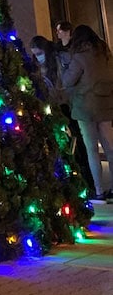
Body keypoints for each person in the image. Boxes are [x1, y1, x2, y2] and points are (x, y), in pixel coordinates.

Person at [60, 24, 113, 201]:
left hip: (85, 107)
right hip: (105, 104)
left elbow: (67, 81)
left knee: (92, 150)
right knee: (110, 148)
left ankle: (98, 190)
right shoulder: (106, 55)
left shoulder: (79, 58)